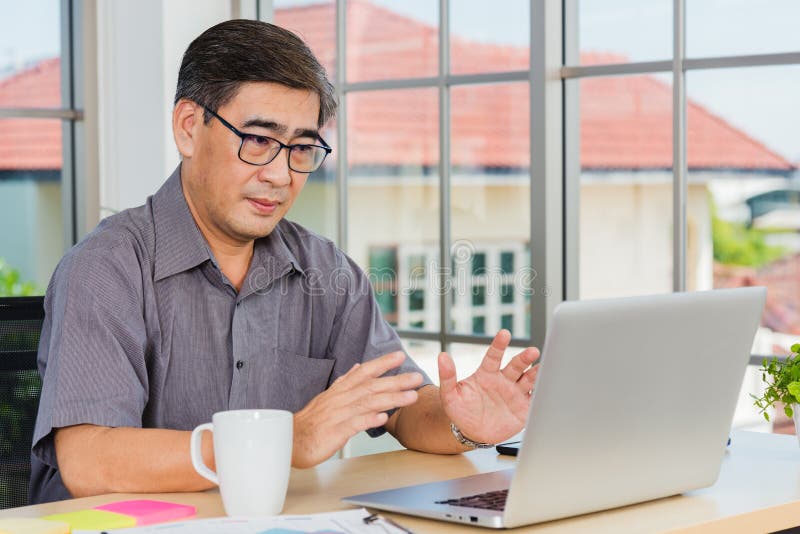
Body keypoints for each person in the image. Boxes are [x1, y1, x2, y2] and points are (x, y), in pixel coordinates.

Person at [29, 19, 540, 504]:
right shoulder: (106, 268)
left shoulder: (325, 272)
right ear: (188, 128)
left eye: (301, 148)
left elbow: (406, 411)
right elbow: (87, 459)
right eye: (257, 141)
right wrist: (281, 440)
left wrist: (464, 423)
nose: (280, 174)